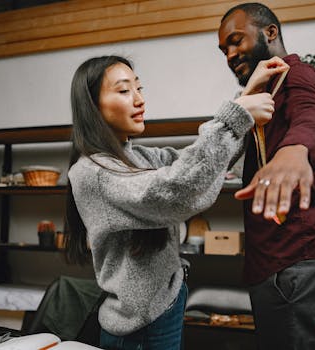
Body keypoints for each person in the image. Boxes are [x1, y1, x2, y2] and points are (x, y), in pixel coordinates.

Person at [64, 55, 286, 350]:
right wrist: (236, 116)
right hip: (139, 327)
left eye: (139, 88)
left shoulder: (140, 157)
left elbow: (200, 163)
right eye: (124, 90)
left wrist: (244, 97)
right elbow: (178, 188)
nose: (139, 99)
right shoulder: (91, 172)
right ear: (92, 106)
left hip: (162, 308)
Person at [218, 3, 315, 350]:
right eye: (223, 49)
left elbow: (313, 116)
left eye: (235, 41)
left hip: (298, 261)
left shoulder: (298, 75)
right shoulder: (263, 93)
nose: (230, 54)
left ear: (270, 32)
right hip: (275, 263)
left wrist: (295, 150)